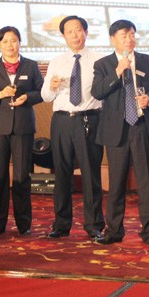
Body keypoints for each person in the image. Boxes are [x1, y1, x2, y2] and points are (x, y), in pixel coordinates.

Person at [91, 20, 149, 246]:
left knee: (145, 183)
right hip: (117, 130)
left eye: (132, 35)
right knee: (116, 183)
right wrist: (117, 71)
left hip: (141, 127)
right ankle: (113, 230)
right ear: (112, 39)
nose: (129, 39)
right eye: (124, 35)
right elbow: (97, 92)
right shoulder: (103, 64)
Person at [41, 16, 105, 240]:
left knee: (90, 174)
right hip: (61, 121)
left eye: (78, 30)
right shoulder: (56, 62)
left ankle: (94, 224)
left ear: (86, 32)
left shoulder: (100, 60)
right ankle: (61, 224)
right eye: (69, 32)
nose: (75, 35)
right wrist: (51, 86)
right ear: (63, 36)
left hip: (89, 119)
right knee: (62, 174)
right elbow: (45, 96)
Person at [0, 26, 44, 235]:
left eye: (14, 40)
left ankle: (24, 224)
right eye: (5, 41)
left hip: (23, 126)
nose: (10, 45)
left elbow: (41, 92)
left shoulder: (31, 65)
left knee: (22, 176)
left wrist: (27, 97)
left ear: (20, 43)